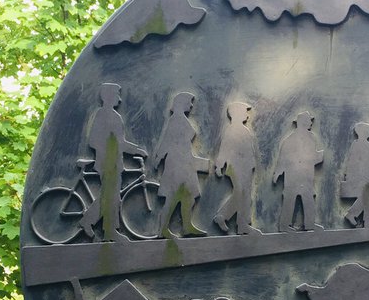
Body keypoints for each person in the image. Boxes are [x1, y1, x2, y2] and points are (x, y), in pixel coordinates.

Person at [82, 83, 147, 242]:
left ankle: (90, 222)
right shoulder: (104, 115)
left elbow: (119, 142)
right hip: (107, 164)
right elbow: (94, 141)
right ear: (109, 96)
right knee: (110, 197)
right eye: (117, 94)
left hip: (113, 163)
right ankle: (109, 232)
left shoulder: (113, 116)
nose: (119, 99)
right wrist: (135, 150)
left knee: (110, 196)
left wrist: (132, 148)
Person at [153, 91, 209, 237]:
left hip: (185, 162)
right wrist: (159, 157)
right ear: (181, 103)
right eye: (189, 102)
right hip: (177, 164)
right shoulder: (176, 120)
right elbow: (167, 140)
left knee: (189, 196)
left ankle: (187, 225)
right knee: (173, 196)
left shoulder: (181, 119)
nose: (191, 105)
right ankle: (163, 229)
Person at [274, 111, 323, 232]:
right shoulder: (290, 140)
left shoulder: (312, 138)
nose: (311, 122)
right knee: (290, 199)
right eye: (309, 120)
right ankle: (284, 226)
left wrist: (319, 157)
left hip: (306, 177)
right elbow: (283, 158)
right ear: (303, 122)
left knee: (308, 199)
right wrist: (277, 172)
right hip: (292, 177)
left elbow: (311, 157)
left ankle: (309, 224)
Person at [213, 101, 257, 235]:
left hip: (246, 167)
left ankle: (243, 225)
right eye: (245, 112)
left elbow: (250, 151)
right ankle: (222, 216)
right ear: (237, 114)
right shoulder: (231, 130)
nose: (247, 116)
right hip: (235, 167)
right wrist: (219, 165)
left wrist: (252, 164)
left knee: (246, 196)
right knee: (240, 193)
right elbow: (224, 150)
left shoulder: (245, 131)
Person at [341, 122, 369, 227]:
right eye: (368, 131)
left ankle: (366, 220)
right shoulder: (362, 145)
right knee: (367, 198)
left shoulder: (363, 145)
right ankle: (362, 219)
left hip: (367, 177)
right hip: (364, 177)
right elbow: (355, 163)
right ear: (362, 132)